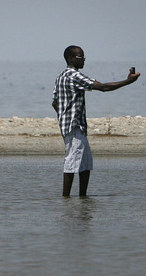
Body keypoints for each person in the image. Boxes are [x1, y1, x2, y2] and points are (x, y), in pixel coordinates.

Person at [52, 45, 140, 197]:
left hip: (73, 126)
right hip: (74, 126)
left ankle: (83, 198)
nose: (84, 60)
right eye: (80, 57)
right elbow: (103, 87)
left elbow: (55, 102)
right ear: (71, 59)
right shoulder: (74, 76)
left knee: (85, 163)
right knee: (72, 162)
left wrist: (62, 116)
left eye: (84, 57)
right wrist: (127, 82)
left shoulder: (61, 76)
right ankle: (66, 198)